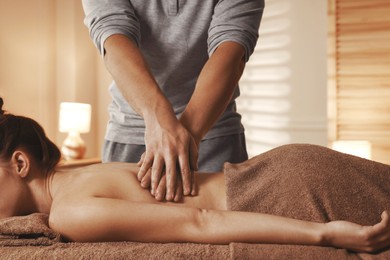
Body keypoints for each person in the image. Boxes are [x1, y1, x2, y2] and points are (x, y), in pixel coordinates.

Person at [1, 98, 390, 253]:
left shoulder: (69, 213)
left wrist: (324, 234)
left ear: (20, 164)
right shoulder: (80, 176)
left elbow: (199, 221)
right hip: (283, 169)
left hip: (281, 194)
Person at [81, 0, 264, 201]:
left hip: (215, 138)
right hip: (130, 138)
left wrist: (183, 143)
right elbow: (113, 39)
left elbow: (231, 51)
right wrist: (158, 121)